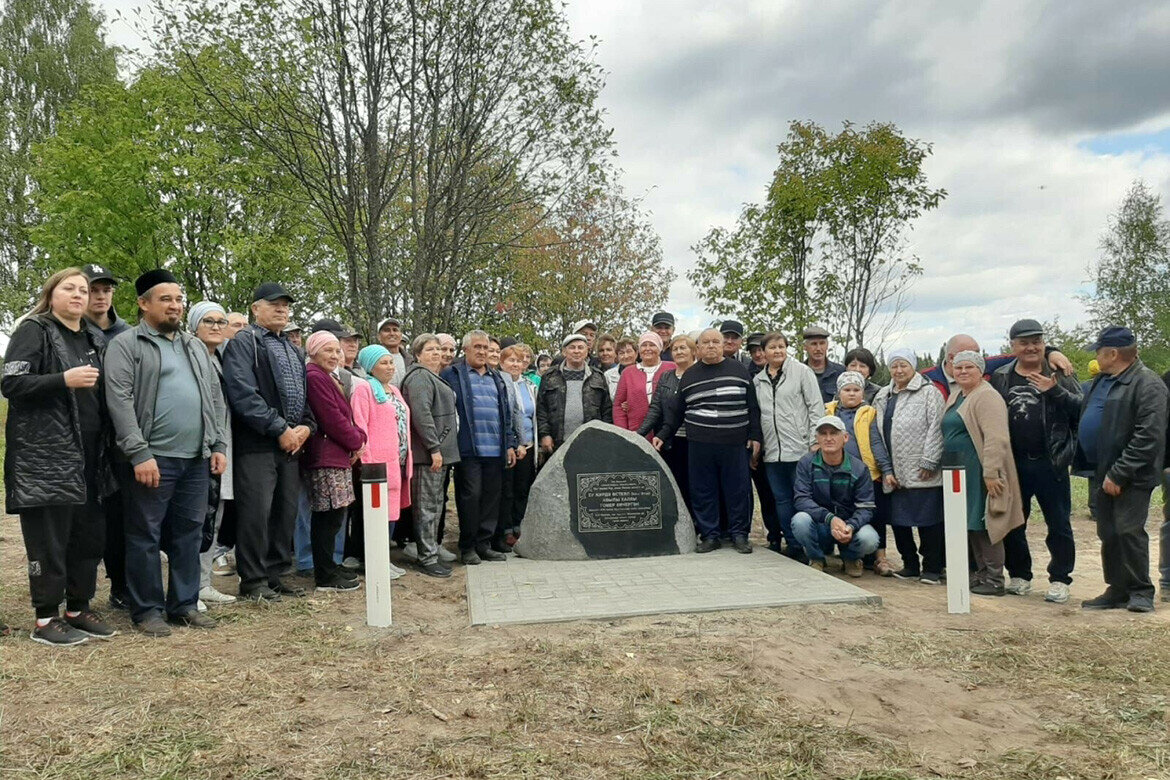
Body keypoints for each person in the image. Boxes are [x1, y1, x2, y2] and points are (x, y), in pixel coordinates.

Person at [103, 270, 227, 635]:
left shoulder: (192, 345)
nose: (175, 306)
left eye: (178, 299)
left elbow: (214, 397)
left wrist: (217, 443)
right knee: (145, 535)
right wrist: (139, 453)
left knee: (188, 532)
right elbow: (119, 401)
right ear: (143, 304)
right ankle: (147, 610)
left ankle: (184, 604)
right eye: (165, 299)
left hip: (196, 459)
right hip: (152, 459)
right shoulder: (126, 345)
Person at [2, 268, 116, 646]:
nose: (79, 295)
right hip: (46, 455)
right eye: (69, 288)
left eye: (83, 290)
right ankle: (45, 618)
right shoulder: (34, 330)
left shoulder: (92, 336)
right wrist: (61, 380)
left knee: (88, 538)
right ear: (51, 294)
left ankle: (77, 609)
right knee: (49, 540)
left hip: (90, 455)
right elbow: (11, 383)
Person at [222, 282, 316, 602]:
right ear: (255, 309)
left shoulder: (292, 348)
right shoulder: (243, 342)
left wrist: (305, 427)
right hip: (258, 444)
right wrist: (279, 428)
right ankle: (253, 581)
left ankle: (275, 575)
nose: (282, 309)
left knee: (284, 513)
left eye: (286, 305)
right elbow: (243, 395)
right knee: (255, 514)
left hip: (290, 446)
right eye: (274, 304)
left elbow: (303, 397)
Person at [988, 319, 1082, 604]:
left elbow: (1081, 409)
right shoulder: (1002, 376)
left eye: (1037, 341)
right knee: (1015, 522)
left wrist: (1054, 390)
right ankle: (1020, 574)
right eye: (1024, 342)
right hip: (1014, 464)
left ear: (1044, 343)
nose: (1031, 347)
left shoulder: (1059, 372)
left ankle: (1060, 578)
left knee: (1059, 523)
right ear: (1013, 347)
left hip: (1051, 461)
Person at [1075, 326, 1168, 613]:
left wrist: (1120, 472)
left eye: (1099, 352)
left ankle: (1141, 591)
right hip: (1101, 470)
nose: (1097, 357)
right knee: (1109, 532)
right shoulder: (1107, 380)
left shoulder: (1147, 384)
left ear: (1113, 353)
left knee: (1129, 531)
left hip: (1130, 475)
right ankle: (1117, 588)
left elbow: (1149, 435)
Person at [654, 329, 762, 554]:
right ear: (699, 348)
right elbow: (676, 413)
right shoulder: (690, 375)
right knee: (703, 490)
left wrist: (755, 436)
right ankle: (710, 535)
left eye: (716, 342)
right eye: (706, 342)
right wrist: (663, 435)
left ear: (723, 345)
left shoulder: (739, 371)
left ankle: (739, 535)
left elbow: (753, 407)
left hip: (734, 442)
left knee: (738, 490)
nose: (711, 346)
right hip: (700, 443)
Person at [944, 351, 1027, 597]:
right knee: (970, 522)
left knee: (985, 522)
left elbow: (996, 437)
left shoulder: (987, 396)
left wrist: (991, 473)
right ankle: (980, 573)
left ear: (981, 370)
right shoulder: (958, 395)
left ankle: (994, 578)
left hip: (979, 468)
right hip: (959, 470)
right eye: (958, 368)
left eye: (969, 367)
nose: (963, 372)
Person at [81, 264, 131, 612]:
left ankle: (121, 585)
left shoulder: (126, 334)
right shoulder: (66, 331)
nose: (100, 296)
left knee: (119, 515)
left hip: (118, 438)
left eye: (106, 289)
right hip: (81, 436)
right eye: (93, 289)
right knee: (84, 516)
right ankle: (76, 592)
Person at [442, 330, 517, 564]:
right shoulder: (452, 375)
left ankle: (484, 544)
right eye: (478, 347)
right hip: (469, 449)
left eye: (486, 348)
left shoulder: (497, 378)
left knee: (491, 498)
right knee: (470, 497)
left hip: (496, 449)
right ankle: (467, 547)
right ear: (465, 350)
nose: (483, 352)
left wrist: (510, 444)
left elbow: (506, 414)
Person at [873, 348, 946, 584]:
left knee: (929, 521)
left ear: (913, 366)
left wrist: (930, 459)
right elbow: (876, 430)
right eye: (894, 365)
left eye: (903, 365)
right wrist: (885, 468)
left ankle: (932, 568)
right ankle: (910, 564)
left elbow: (937, 427)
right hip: (894, 470)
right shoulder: (883, 395)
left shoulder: (929, 393)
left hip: (922, 469)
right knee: (898, 520)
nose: (898, 370)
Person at [301, 331, 366, 592]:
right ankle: (325, 574)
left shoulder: (327, 377)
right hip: (326, 454)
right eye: (328, 350)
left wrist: (356, 436)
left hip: (336, 453)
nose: (335, 355)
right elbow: (332, 419)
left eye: (337, 351)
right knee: (328, 515)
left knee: (336, 514)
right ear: (314, 352)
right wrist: (357, 440)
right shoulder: (315, 377)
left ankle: (330, 565)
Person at [752, 332, 823, 557]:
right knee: (781, 500)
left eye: (781, 346)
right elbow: (759, 416)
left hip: (800, 450)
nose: (777, 351)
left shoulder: (802, 372)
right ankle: (792, 545)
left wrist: (814, 440)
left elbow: (815, 407)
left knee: (802, 499)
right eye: (772, 347)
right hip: (773, 453)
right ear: (763, 352)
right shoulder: (758, 380)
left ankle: (810, 544)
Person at [188, 301, 238, 609]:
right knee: (194, 521)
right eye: (209, 320)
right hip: (197, 448)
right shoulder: (188, 356)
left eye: (221, 321)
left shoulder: (219, 357)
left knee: (214, 520)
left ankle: (204, 582)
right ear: (193, 325)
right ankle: (188, 587)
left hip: (222, 445)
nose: (217, 326)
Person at [351, 343, 412, 579]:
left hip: (397, 461)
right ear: (370, 366)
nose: (389, 367)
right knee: (377, 514)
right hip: (377, 463)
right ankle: (374, 560)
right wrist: (367, 459)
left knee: (391, 512)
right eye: (383, 363)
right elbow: (360, 425)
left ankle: (383, 557)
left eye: (391, 362)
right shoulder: (364, 389)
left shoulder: (394, 391)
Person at [826, 371, 896, 575]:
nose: (852, 394)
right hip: (837, 474)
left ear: (863, 393)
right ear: (839, 393)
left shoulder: (869, 413)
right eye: (847, 390)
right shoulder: (829, 412)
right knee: (843, 514)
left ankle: (881, 559)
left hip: (868, 474)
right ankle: (849, 555)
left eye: (856, 390)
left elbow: (876, 443)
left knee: (876, 515)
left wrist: (886, 469)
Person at [402, 334, 460, 577]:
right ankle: (426, 557)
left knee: (436, 505)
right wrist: (434, 448)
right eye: (430, 349)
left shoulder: (433, 376)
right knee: (426, 507)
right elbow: (422, 415)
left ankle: (431, 551)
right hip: (428, 455)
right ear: (417, 354)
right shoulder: (419, 378)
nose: (436, 353)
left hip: (439, 454)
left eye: (439, 349)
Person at [792, 416, 880, 576]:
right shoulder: (806, 463)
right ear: (817, 438)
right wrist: (830, 519)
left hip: (849, 526)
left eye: (834, 433)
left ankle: (851, 558)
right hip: (820, 524)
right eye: (823, 434)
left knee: (870, 539)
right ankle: (816, 558)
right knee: (800, 521)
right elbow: (801, 499)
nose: (828, 438)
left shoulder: (859, 468)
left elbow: (866, 507)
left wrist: (850, 526)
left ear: (845, 438)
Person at [639, 334, 696, 513]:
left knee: (696, 485)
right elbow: (655, 408)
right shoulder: (666, 377)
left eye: (683, 347)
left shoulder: (700, 374)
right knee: (675, 484)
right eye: (675, 348)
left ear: (693, 351)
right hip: (670, 440)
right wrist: (639, 434)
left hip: (696, 439)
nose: (678, 351)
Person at [923, 333, 1075, 401]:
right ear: (951, 358)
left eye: (978, 353)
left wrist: (1051, 352)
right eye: (971, 355)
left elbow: (1023, 353)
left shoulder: (987, 366)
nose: (978, 359)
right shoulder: (928, 379)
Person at [538, 333, 613, 452]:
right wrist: (544, 434)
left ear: (587, 351)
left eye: (580, 347)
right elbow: (541, 408)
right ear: (564, 352)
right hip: (557, 442)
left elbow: (607, 410)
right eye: (572, 347)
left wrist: (604, 436)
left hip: (591, 442)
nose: (576, 351)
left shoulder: (598, 376)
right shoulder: (549, 376)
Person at [498, 342, 538, 549]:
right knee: (507, 489)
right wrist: (515, 443)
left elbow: (531, 415)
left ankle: (519, 524)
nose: (516, 364)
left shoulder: (529, 386)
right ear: (501, 362)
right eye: (511, 360)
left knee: (523, 488)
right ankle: (505, 528)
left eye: (519, 360)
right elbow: (509, 416)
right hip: (509, 446)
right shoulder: (500, 383)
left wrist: (528, 443)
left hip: (529, 445)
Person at [614, 332, 675, 437]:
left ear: (660, 348)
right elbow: (618, 405)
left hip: (667, 433)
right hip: (635, 433)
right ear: (639, 350)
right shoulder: (628, 373)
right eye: (643, 345)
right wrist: (623, 432)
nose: (647, 348)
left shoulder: (672, 368)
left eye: (652, 345)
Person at [802, 325, 846, 404]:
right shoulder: (798, 372)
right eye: (814, 344)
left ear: (827, 345)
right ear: (805, 347)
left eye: (822, 343)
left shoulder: (841, 373)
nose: (818, 348)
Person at [376, 316, 412, 387]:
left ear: (401, 336)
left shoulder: (411, 361)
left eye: (395, 330)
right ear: (379, 337)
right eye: (387, 330)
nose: (392, 333)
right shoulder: (373, 361)